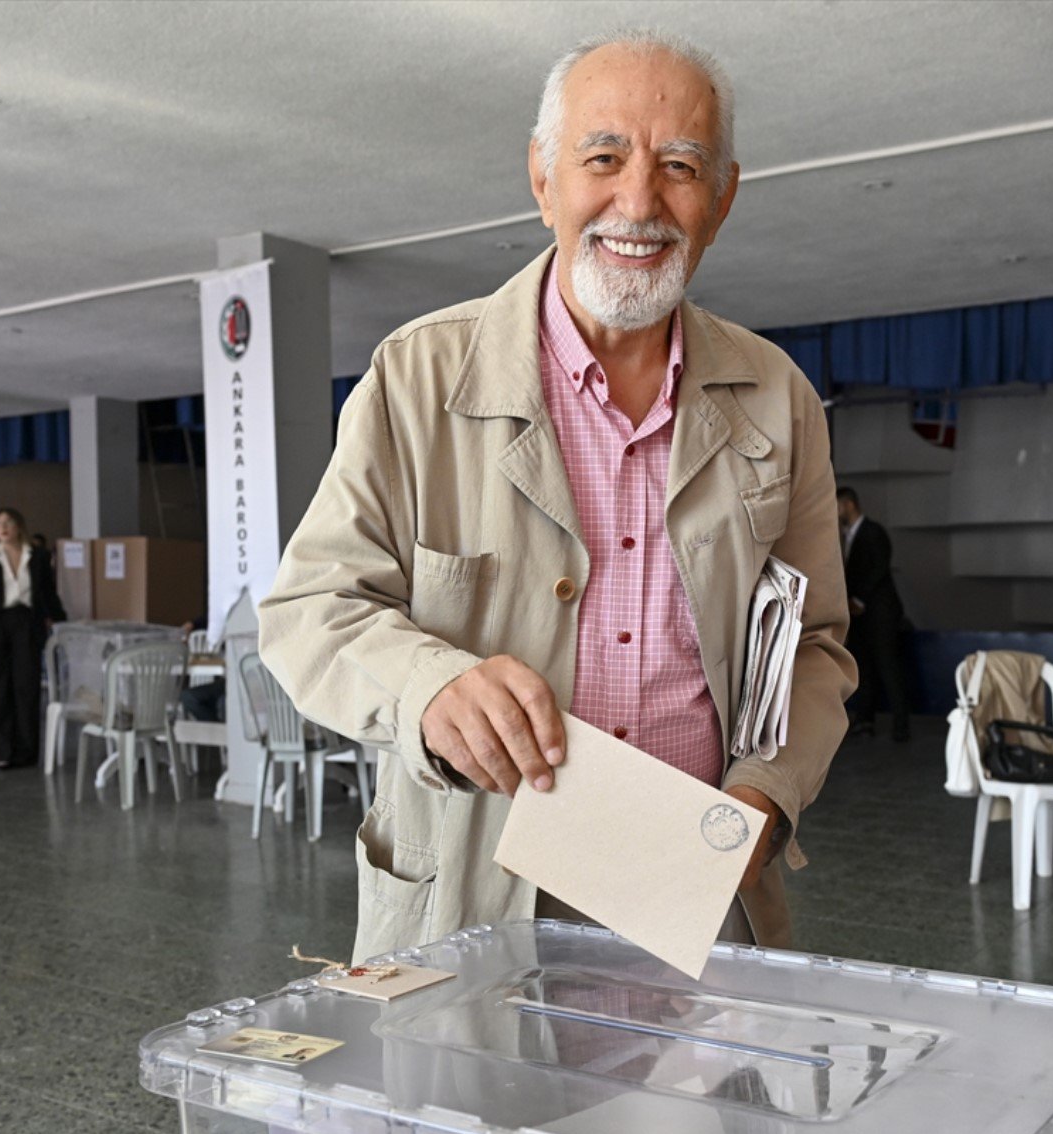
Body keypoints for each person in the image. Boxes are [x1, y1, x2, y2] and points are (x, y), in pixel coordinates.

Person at [260, 30, 854, 963]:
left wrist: (765, 797)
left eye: (681, 167)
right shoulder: (416, 379)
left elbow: (814, 645)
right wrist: (430, 684)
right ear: (543, 180)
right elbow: (308, 614)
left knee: (703, 1115)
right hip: (471, 896)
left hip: (694, 899)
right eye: (603, 157)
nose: (639, 201)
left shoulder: (778, 399)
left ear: (722, 199)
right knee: (473, 1107)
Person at [0, 508, 65, 769]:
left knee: (27, 687)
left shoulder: (39, 558)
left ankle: (26, 752)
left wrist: (61, 621)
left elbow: (48, 594)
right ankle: (2, 749)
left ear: (19, 526)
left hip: (27, 624)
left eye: (8, 522)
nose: (2, 527)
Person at [836, 486, 910, 742]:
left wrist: (858, 599)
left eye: (837, 506)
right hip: (861, 617)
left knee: (889, 667)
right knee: (863, 668)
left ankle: (902, 726)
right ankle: (865, 721)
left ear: (848, 505)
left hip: (880, 614)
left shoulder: (873, 532)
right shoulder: (848, 536)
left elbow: (879, 568)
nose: (835, 512)